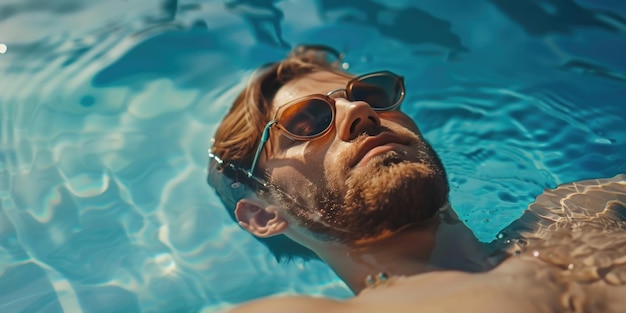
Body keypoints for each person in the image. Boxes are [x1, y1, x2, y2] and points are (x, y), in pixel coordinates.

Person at [207, 44, 626, 312]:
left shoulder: (586, 210)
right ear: (263, 214)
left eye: (372, 96)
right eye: (308, 121)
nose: (358, 112)